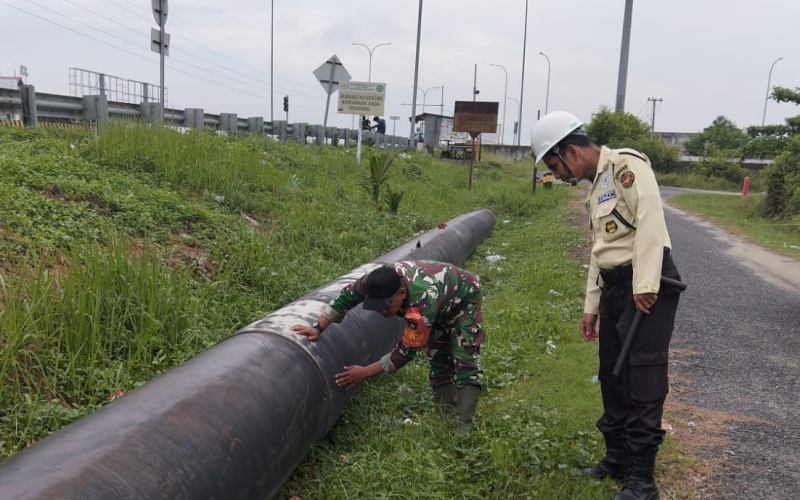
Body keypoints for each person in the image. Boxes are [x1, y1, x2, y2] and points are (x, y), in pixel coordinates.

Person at [530, 111, 683, 500]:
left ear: (570, 151)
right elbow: (602, 251)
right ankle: (617, 459)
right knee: (612, 374)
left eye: (555, 165)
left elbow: (651, 220)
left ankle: (642, 482)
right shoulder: (595, 187)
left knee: (642, 377)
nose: (558, 174)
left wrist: (646, 284)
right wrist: (591, 306)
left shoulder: (627, 168)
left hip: (646, 286)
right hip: (615, 289)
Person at [291, 260, 484, 432]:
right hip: (439, 299)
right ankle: (446, 418)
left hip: (462, 299)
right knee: (439, 358)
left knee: (465, 359)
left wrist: (365, 372)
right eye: (377, 306)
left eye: (386, 305)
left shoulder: (422, 302)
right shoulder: (373, 282)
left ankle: (463, 429)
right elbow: (347, 296)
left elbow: (406, 352)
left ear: (401, 293)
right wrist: (318, 327)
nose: (382, 311)